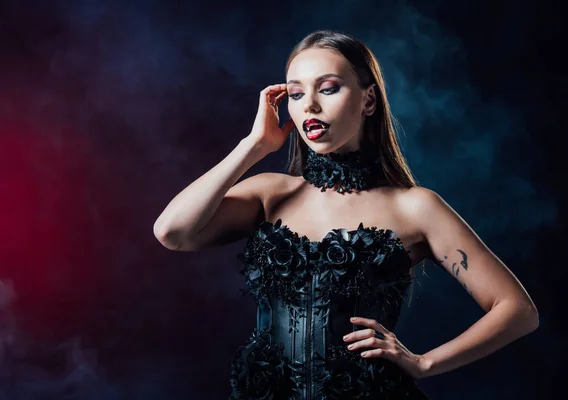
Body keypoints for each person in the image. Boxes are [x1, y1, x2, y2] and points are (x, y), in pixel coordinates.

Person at [153, 30, 539, 400]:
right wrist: (254, 146)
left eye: (328, 88)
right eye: (296, 93)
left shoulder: (415, 206)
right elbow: (173, 232)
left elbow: (517, 310)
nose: (310, 106)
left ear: (368, 100)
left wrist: (424, 363)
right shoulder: (269, 193)